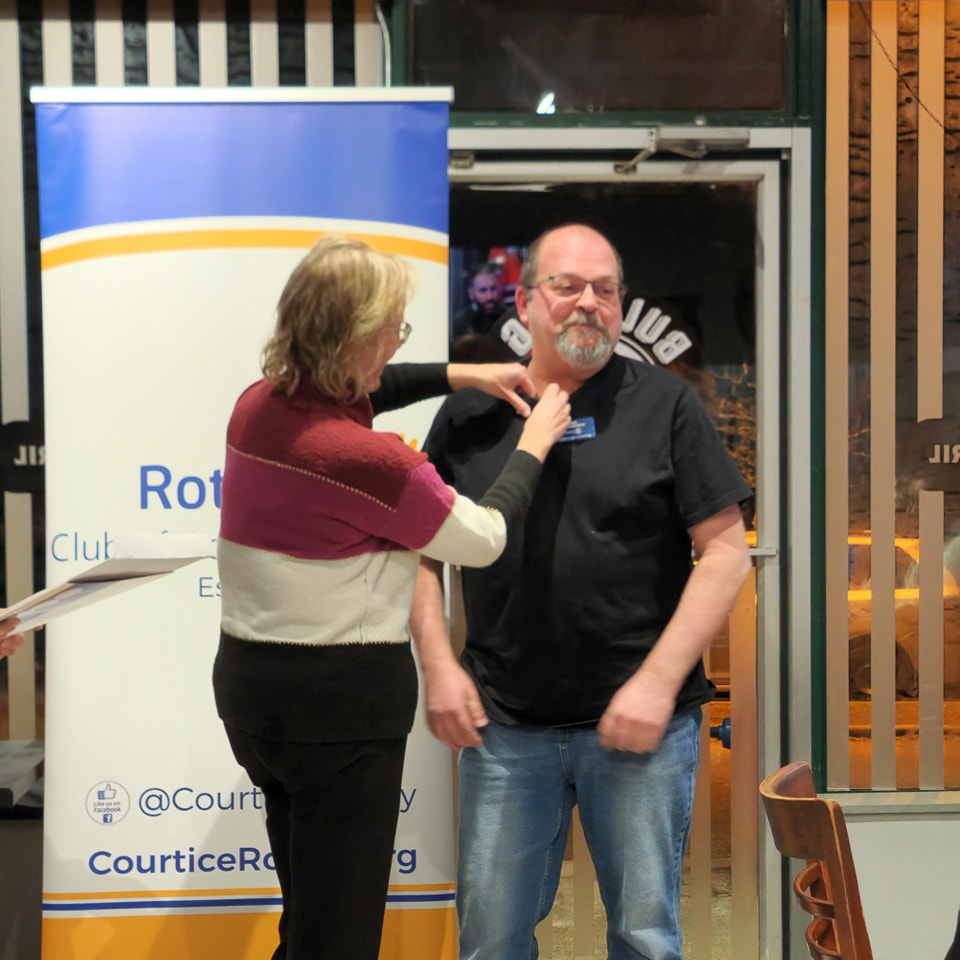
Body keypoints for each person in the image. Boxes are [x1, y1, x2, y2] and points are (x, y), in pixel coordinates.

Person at [212, 234, 571, 960]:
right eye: (392, 330)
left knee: (308, 919)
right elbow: (483, 537)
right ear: (354, 337)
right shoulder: (368, 460)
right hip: (338, 713)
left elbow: (369, 387)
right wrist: (533, 442)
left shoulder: (258, 406)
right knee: (339, 939)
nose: (396, 344)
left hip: (254, 697)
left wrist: (460, 373)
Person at [410, 223, 753, 960]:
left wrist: (657, 683)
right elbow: (421, 553)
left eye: (605, 289)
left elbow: (727, 555)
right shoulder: (469, 415)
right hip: (505, 726)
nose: (588, 303)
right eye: (567, 286)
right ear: (525, 302)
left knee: (643, 938)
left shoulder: (667, 405)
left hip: (642, 728)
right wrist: (437, 665)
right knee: (490, 940)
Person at [451, 262, 504, 341]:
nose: (489, 296)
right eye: (483, 290)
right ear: (471, 293)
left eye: (493, 288)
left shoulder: (508, 316)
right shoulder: (459, 323)